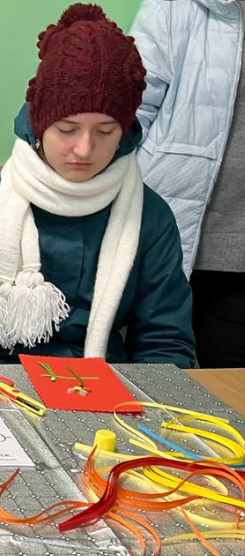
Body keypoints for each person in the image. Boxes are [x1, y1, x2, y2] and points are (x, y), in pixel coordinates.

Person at [0, 3, 194, 368]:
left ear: (124, 133)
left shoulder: (150, 216)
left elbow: (166, 343)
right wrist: (2, 390)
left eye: (105, 131)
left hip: (107, 382)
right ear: (40, 126)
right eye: (67, 130)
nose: (84, 149)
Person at [132, 0, 245, 367]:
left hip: (238, 260)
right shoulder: (172, 7)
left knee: (229, 388)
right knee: (158, 375)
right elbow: (130, 111)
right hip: (172, 232)